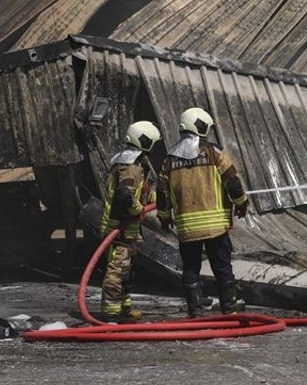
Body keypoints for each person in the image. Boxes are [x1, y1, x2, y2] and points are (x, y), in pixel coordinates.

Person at [157, 107, 249, 317]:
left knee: (190, 270)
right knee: (222, 268)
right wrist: (242, 203)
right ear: (200, 126)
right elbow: (233, 183)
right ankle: (230, 309)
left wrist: (164, 217)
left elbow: (161, 195)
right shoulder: (214, 152)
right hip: (215, 227)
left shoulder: (169, 159)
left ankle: (195, 312)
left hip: (187, 229)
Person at [99, 120, 161, 322]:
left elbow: (138, 193)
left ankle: (123, 309)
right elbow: (125, 196)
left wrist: (155, 200)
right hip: (119, 230)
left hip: (128, 231)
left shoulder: (131, 164)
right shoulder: (129, 167)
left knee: (127, 271)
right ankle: (111, 314)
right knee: (117, 272)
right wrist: (138, 209)